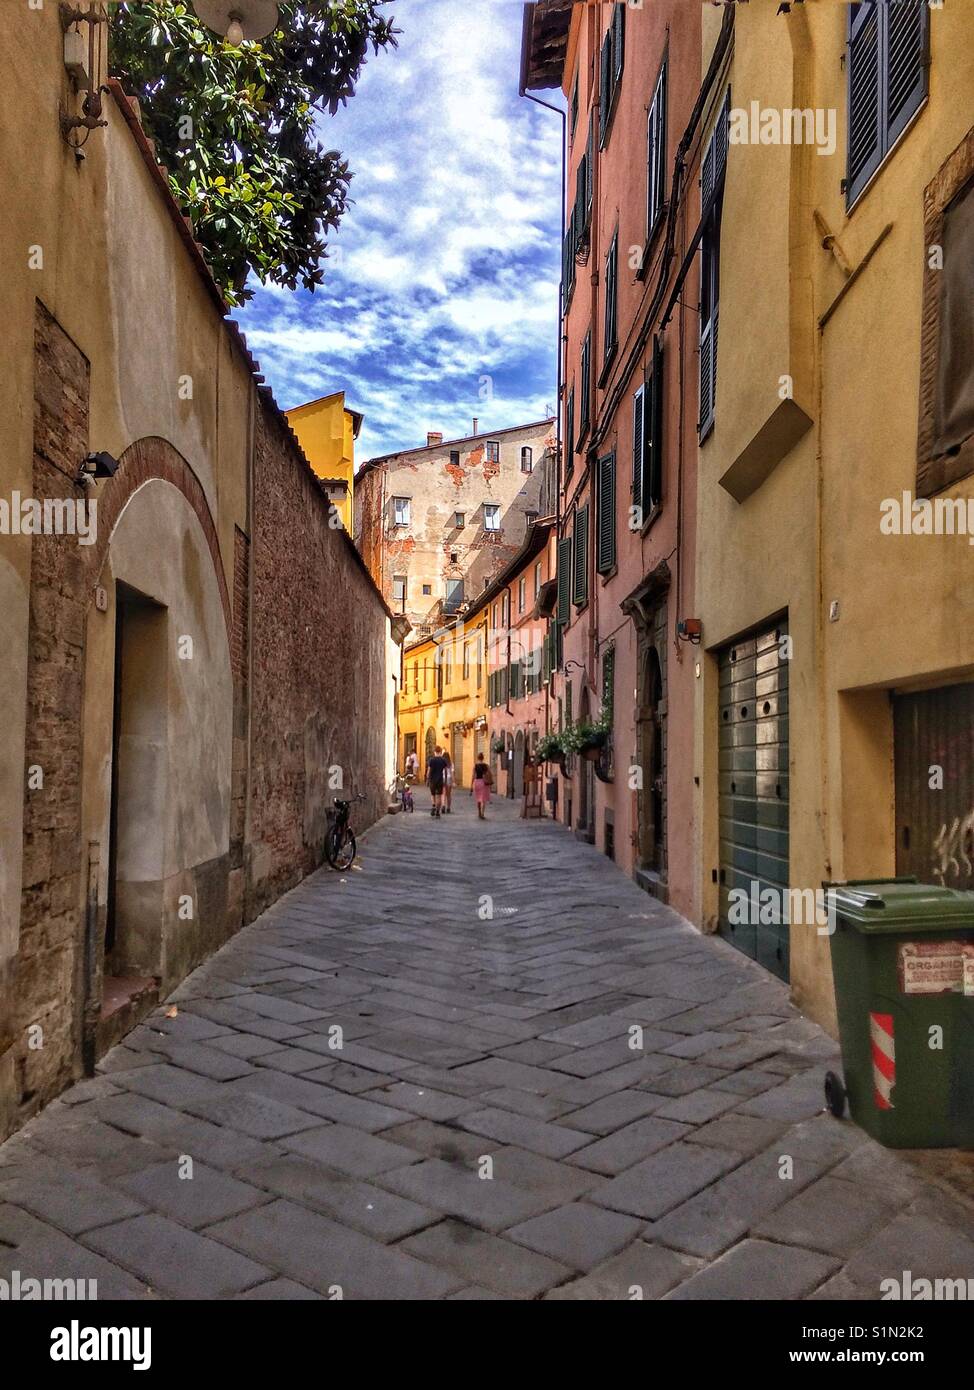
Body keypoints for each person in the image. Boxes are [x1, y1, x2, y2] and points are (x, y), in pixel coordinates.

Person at [426, 745, 448, 818]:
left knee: (433, 794)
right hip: (440, 780)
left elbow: (428, 771)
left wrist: (427, 779)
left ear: (434, 752)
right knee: (439, 796)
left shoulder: (431, 760)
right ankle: (438, 811)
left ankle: (433, 806)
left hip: (432, 780)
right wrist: (445, 779)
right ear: (440, 752)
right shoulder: (443, 760)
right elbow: (445, 771)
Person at [471, 751, 492, 820]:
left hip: (477, 782)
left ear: (477, 758)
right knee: (483, 799)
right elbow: (490, 773)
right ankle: (482, 813)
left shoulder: (475, 766)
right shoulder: (486, 765)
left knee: (478, 799)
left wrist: (471, 785)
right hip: (484, 782)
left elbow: (473, 776)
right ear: (483, 758)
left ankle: (479, 812)